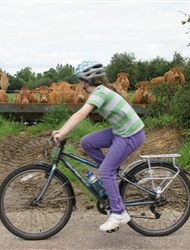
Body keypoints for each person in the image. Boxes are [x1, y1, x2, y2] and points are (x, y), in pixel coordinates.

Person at [52, 60, 145, 231]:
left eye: (80, 80)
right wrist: (62, 130)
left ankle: (119, 213)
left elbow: (81, 114)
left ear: (85, 81)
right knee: (87, 142)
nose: (80, 84)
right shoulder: (101, 91)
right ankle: (110, 174)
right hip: (121, 130)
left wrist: (63, 132)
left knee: (105, 171)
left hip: (130, 134)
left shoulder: (99, 93)